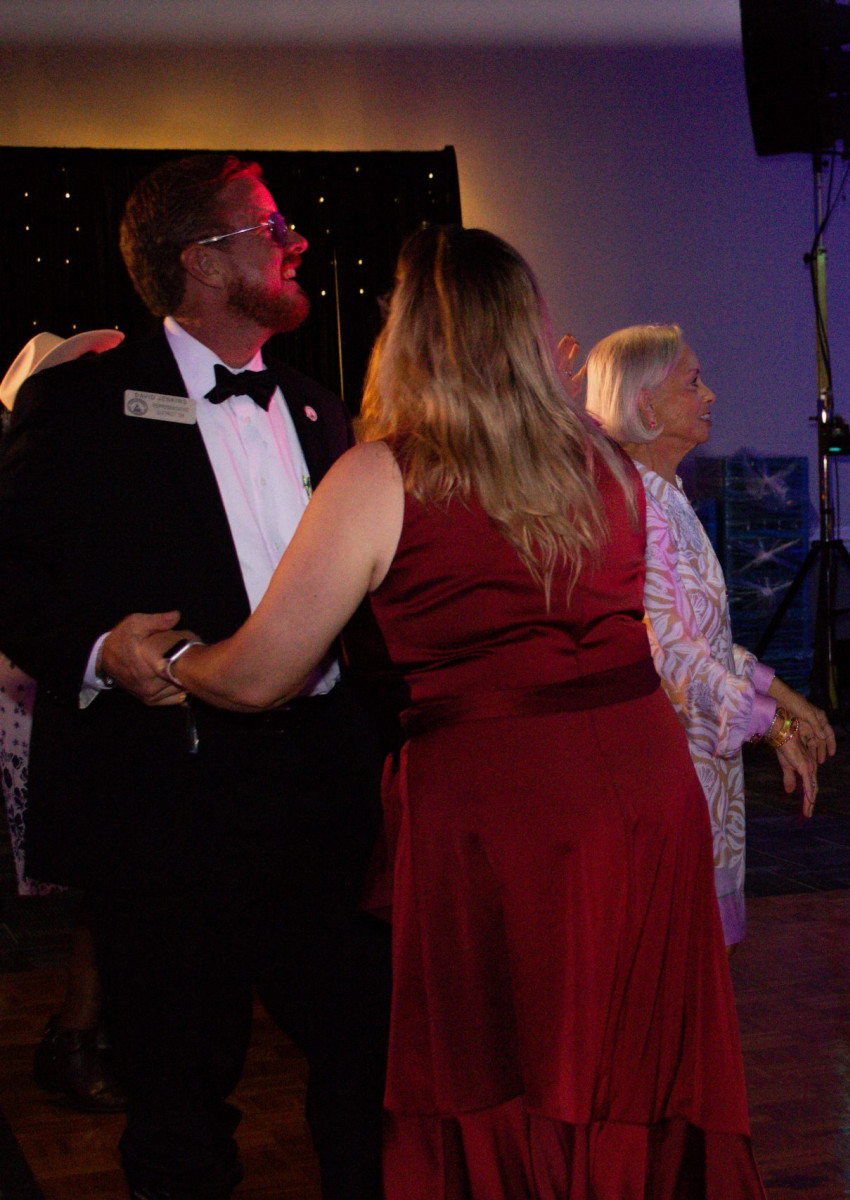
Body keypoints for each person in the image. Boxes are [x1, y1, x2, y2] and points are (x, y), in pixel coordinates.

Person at [134, 226, 766, 1197]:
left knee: (512, 1059)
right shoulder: (607, 464)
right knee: (629, 1047)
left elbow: (261, 676)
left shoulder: (384, 474)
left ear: (414, 334)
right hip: (644, 791)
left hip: (505, 805)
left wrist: (174, 658)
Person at [0, 154, 389, 1198]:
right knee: (177, 1092)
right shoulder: (80, 402)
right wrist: (101, 652)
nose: (294, 243)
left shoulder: (318, 409)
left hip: (322, 792)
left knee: (366, 1058)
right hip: (166, 799)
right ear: (203, 262)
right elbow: (12, 578)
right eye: (271, 228)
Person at [587, 322, 835, 947]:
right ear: (645, 404)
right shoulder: (635, 505)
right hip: (662, 766)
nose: (710, 395)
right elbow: (671, 655)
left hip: (696, 766)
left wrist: (786, 698)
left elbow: (707, 642)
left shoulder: (664, 496)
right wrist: (772, 724)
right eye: (693, 382)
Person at [0, 329, 131, 1115]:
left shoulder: (95, 465)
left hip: (85, 697)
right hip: (45, 696)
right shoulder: (30, 475)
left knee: (106, 880)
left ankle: (88, 1033)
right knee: (95, 881)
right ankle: (75, 1037)